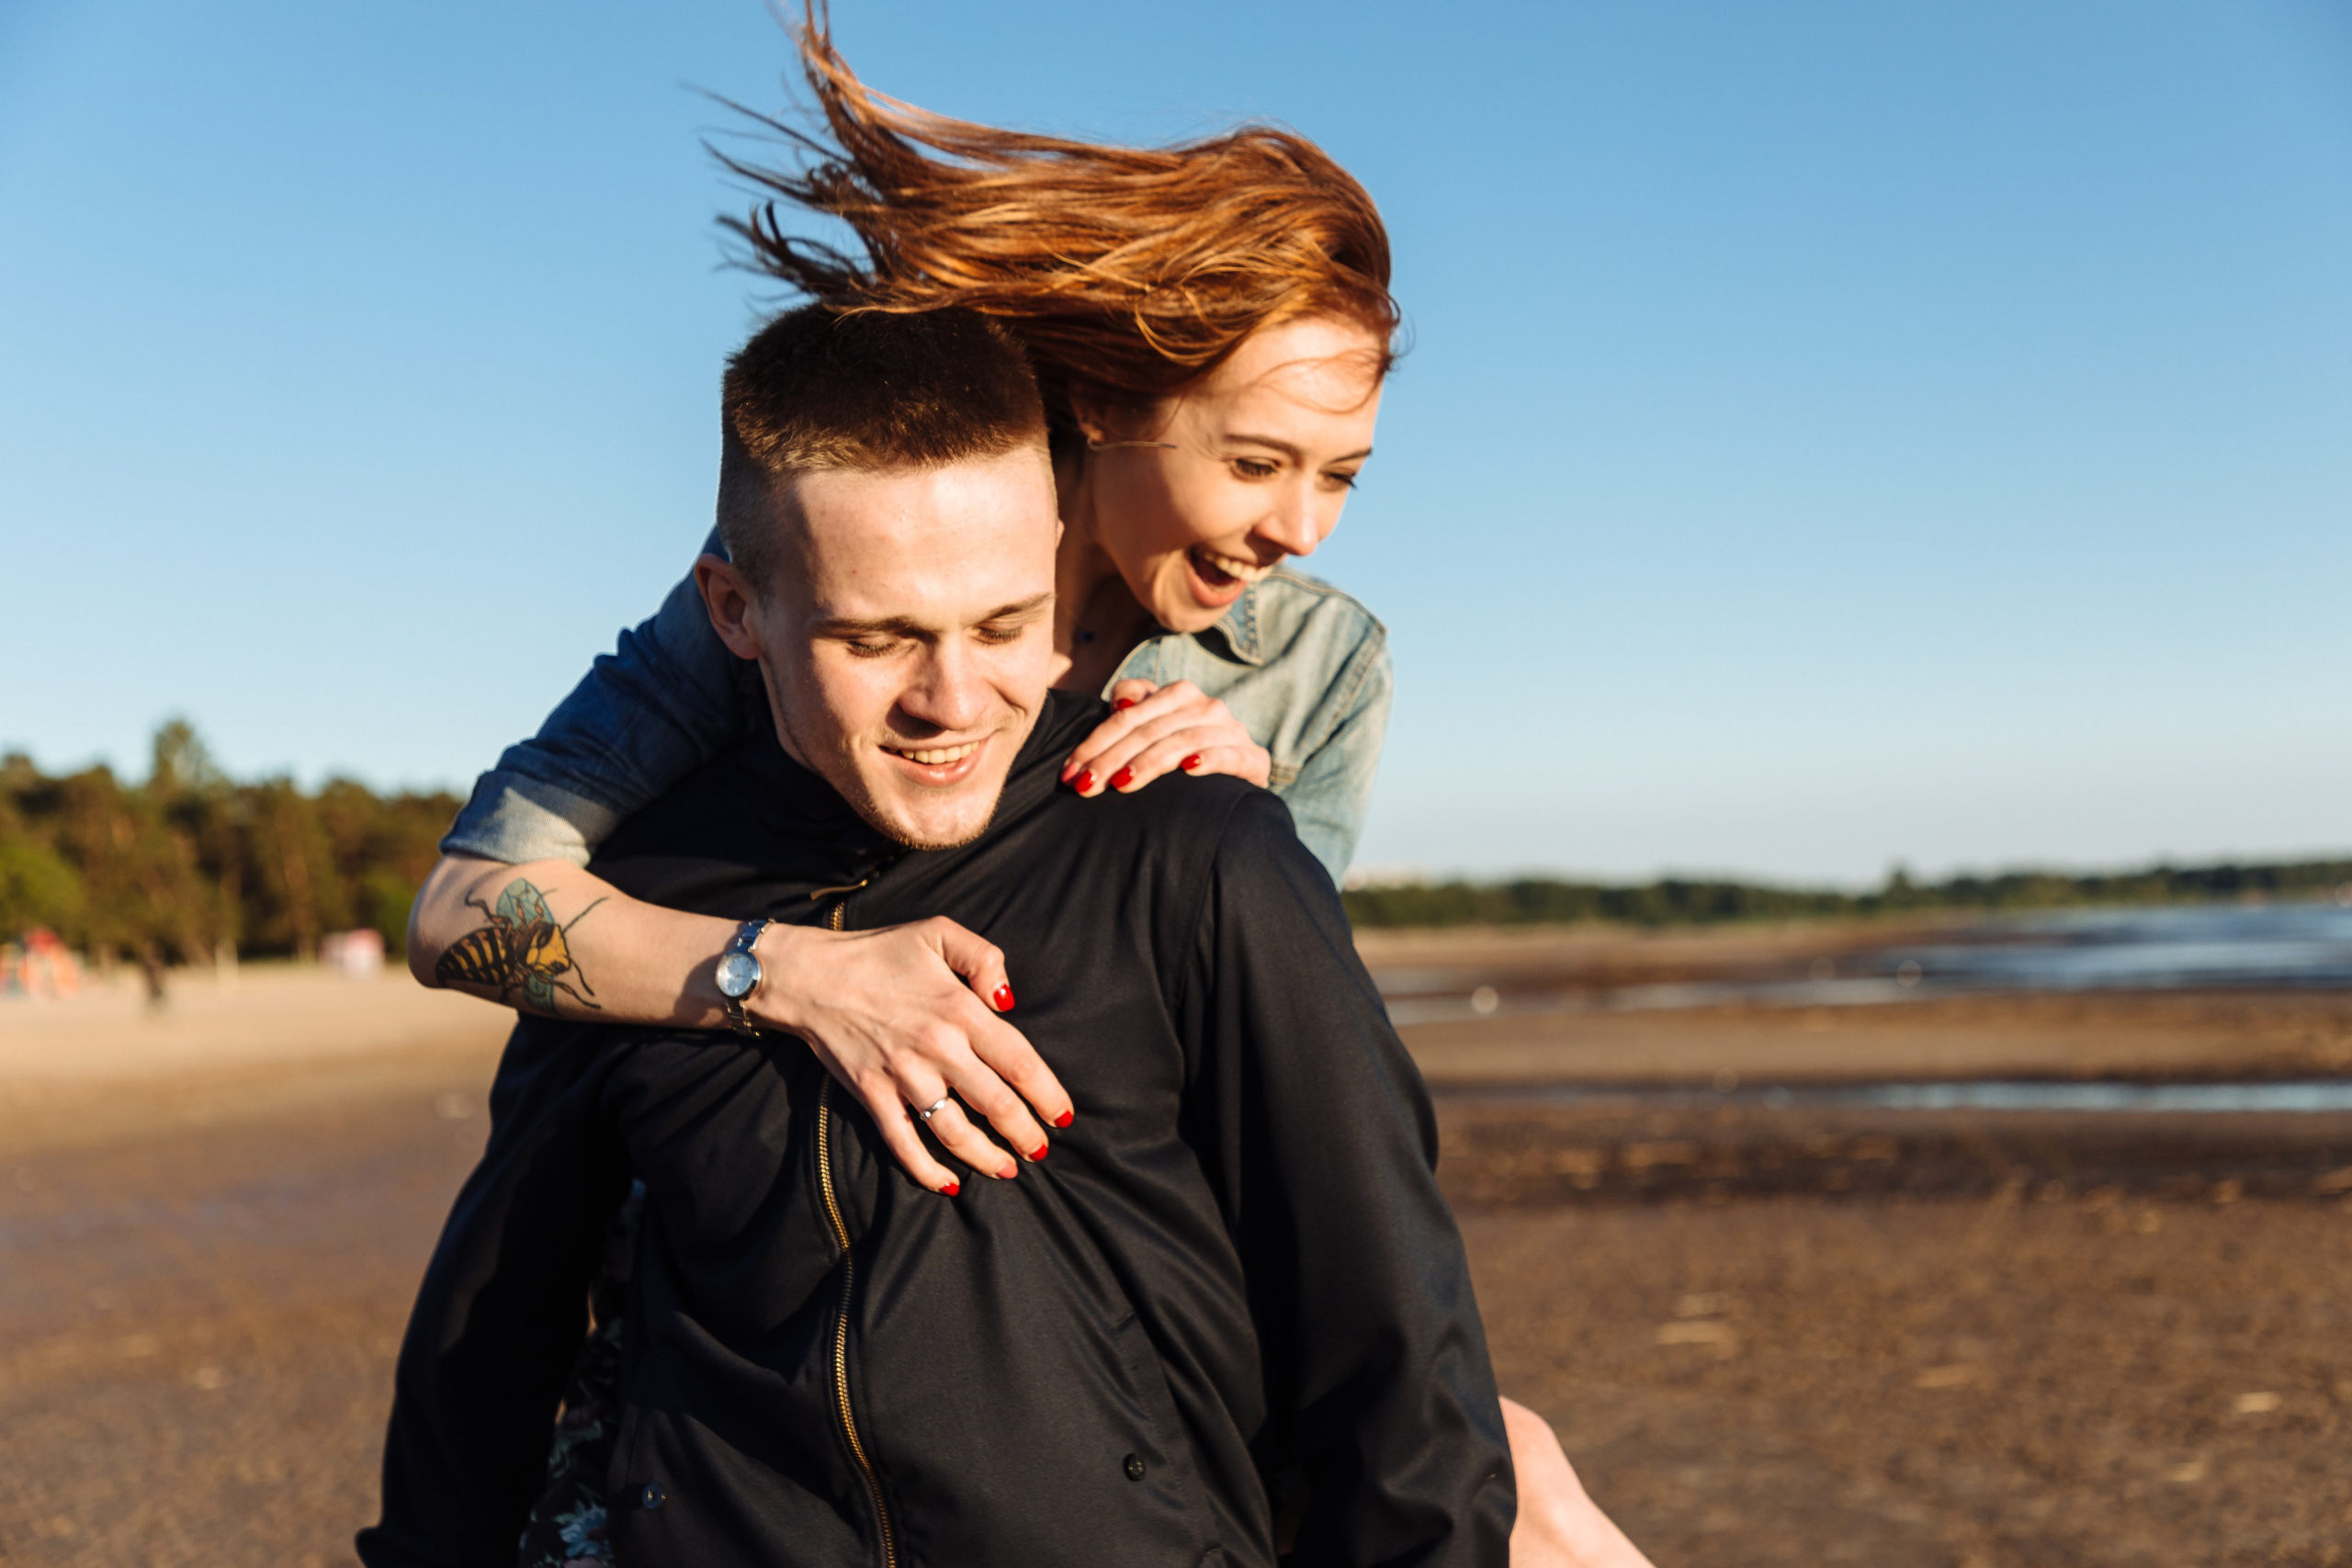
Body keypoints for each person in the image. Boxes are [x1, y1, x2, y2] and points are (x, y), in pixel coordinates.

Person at [400, 19, 1652, 1567]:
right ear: (1106, 406)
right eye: (1260, 462)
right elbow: (463, 908)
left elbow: (1285, 1119)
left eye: (1346, 475)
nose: (1305, 528)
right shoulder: (822, 561)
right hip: (752, 1288)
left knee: (1511, 1470)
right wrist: (779, 972)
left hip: (1109, 1359)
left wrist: (1221, 844)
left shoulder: (1314, 670)